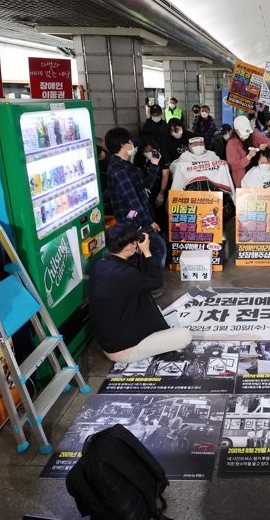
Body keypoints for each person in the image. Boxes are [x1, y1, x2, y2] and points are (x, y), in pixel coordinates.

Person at [89, 223, 191, 363]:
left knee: (152, 305)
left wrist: (138, 252)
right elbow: (156, 281)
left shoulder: (99, 263)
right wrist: (147, 252)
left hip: (111, 336)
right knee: (184, 336)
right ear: (129, 247)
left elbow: (135, 270)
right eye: (134, 243)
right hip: (123, 350)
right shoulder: (126, 274)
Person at [105, 127, 167, 266]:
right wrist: (149, 222)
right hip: (132, 221)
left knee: (153, 249)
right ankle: (151, 282)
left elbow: (146, 184)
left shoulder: (126, 165)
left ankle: (147, 280)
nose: (132, 144)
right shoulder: (118, 169)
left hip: (139, 218)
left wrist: (154, 165)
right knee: (158, 248)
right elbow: (132, 199)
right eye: (130, 141)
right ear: (122, 144)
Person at [226, 115, 270, 187]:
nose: (246, 135)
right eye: (244, 133)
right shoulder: (232, 144)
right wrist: (248, 157)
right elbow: (233, 166)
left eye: (248, 133)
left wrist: (266, 145)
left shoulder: (254, 136)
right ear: (236, 130)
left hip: (259, 176)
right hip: (243, 179)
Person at [132, 135, 170, 226]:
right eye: (145, 151)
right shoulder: (139, 157)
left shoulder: (163, 155)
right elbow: (138, 174)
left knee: (161, 210)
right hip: (146, 187)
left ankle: (162, 229)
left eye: (150, 150)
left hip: (160, 185)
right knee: (150, 210)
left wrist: (161, 193)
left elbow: (165, 175)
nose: (148, 153)